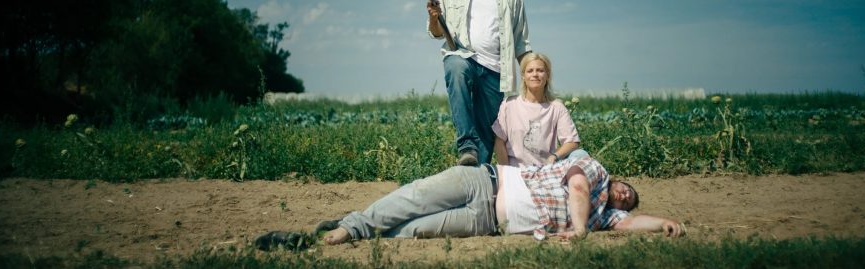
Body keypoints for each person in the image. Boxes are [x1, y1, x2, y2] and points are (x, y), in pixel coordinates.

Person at [260, 156, 683, 246]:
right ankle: (343, 230)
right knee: (412, 198)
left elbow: (629, 224)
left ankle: (362, 229)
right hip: (484, 182)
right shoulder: (592, 171)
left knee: (414, 230)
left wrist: (660, 221)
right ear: (618, 180)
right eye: (628, 190)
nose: (626, 197)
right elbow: (574, 190)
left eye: (630, 201)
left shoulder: (605, 217)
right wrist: (576, 229)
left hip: (487, 223)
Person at [426, 0, 531, 167]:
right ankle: (466, 145)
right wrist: (434, 17)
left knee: (487, 130)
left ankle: (476, 174)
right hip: (464, 56)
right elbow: (435, 32)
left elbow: (522, 43)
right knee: (455, 67)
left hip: (496, 70)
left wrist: (532, 78)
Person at [493, 52, 583, 167]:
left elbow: (572, 141)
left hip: (545, 171)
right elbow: (499, 140)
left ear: (547, 75)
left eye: (540, 70)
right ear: (523, 76)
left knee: (581, 154)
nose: (535, 74)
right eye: (530, 71)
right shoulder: (509, 104)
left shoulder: (556, 107)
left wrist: (554, 156)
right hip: (515, 172)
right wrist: (505, 173)